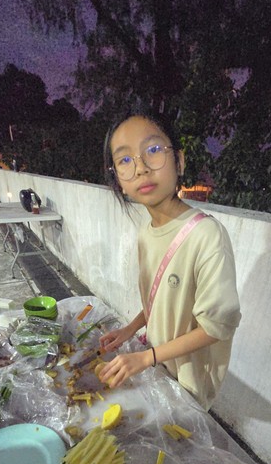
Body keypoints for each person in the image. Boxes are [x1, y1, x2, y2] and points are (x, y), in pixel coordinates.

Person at [98, 113, 241, 410]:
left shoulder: (206, 235)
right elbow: (161, 300)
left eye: (153, 150)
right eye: (125, 160)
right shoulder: (145, 233)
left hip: (188, 383)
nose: (140, 168)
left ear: (179, 161)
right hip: (159, 369)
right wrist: (130, 329)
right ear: (119, 181)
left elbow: (217, 327)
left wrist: (146, 357)